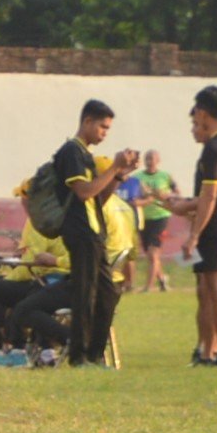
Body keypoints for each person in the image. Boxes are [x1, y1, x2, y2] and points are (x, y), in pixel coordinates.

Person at [165, 86, 217, 368]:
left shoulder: (214, 147)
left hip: (215, 229)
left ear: (202, 112)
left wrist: (194, 235)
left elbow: (210, 196)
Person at [54, 101, 138, 367]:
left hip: (94, 231)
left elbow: (98, 198)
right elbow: (82, 191)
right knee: (85, 293)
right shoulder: (71, 152)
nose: (105, 133)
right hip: (80, 232)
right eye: (102, 126)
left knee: (108, 291)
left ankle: (94, 353)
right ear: (87, 121)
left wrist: (118, 175)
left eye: (108, 128)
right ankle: (80, 357)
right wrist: (113, 167)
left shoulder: (86, 155)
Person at [0, 177, 69, 360]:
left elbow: (31, 264)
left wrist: (9, 276)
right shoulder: (63, 215)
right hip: (65, 278)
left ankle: (0, 343)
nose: (22, 202)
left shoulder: (38, 222)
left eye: (24, 197)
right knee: (4, 286)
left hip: (49, 281)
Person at [132, 150, 175, 292]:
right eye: (147, 159)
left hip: (161, 216)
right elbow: (134, 197)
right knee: (149, 253)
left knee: (153, 252)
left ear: (158, 160)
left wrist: (167, 195)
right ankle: (162, 279)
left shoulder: (165, 176)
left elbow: (176, 193)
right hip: (144, 218)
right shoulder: (137, 177)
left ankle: (148, 287)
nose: (150, 161)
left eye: (153, 158)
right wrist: (145, 199)